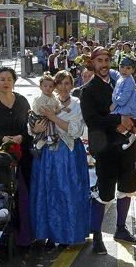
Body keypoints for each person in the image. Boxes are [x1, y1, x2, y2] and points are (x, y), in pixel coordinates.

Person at [81, 47, 136, 254]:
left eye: (107, 60)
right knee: (104, 193)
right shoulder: (88, 90)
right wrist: (118, 120)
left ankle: (121, 229)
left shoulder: (122, 82)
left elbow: (135, 106)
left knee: (127, 189)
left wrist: (132, 122)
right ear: (93, 63)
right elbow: (92, 120)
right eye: (100, 60)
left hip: (126, 147)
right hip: (106, 149)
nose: (104, 64)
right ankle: (97, 236)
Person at [29, 70, 91, 247]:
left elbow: (75, 130)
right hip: (48, 153)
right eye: (60, 83)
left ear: (72, 85)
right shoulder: (44, 101)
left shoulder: (77, 104)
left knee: (68, 193)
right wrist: (36, 129)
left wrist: (52, 117)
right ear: (54, 85)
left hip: (69, 154)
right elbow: (32, 126)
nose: (64, 87)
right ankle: (49, 234)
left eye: (67, 83)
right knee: (48, 194)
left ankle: (67, 235)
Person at [0, 66, 34, 246]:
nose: (5, 82)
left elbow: (30, 128)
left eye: (9, 79)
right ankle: (2, 235)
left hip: (23, 155)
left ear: (14, 81)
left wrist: (21, 137)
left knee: (24, 193)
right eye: (2, 79)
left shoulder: (22, 101)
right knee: (2, 195)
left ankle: (25, 235)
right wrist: (2, 138)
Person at [111, 56, 136, 149]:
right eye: (122, 67)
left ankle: (130, 137)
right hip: (128, 110)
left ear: (133, 70)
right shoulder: (121, 77)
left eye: (128, 68)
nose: (124, 70)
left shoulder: (129, 81)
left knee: (118, 123)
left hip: (131, 111)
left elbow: (122, 100)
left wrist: (114, 104)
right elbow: (114, 73)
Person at [30, 73, 61, 153]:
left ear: (54, 87)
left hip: (49, 116)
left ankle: (48, 138)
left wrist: (58, 109)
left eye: (51, 86)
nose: (48, 88)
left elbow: (57, 105)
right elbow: (43, 110)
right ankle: (43, 139)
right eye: (45, 86)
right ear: (40, 87)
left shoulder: (53, 97)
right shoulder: (40, 98)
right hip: (40, 117)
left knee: (53, 123)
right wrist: (55, 111)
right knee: (48, 124)